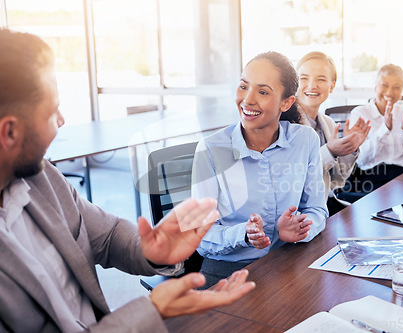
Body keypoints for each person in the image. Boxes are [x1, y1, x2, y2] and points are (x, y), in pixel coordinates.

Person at [0, 28, 255, 332]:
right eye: (52, 110)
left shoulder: (41, 177)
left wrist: (150, 250)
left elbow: (105, 235)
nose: (62, 120)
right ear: (10, 133)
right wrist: (151, 311)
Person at [191, 51, 328, 288]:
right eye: (244, 86)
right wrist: (243, 235)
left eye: (263, 92)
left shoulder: (305, 140)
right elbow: (198, 235)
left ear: (286, 103)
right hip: (227, 269)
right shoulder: (211, 149)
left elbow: (316, 209)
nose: (248, 99)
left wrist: (299, 230)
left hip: (286, 259)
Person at [339, 64, 403, 202]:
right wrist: (384, 129)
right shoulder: (360, 113)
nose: (389, 92)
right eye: (385, 85)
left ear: (402, 90)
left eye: (396, 87)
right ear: (375, 86)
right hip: (373, 177)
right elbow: (361, 160)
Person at [295, 51, 370, 214]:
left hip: (328, 203)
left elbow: (338, 179)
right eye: (304, 78)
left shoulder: (328, 122)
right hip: (301, 212)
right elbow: (295, 175)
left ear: (332, 86)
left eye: (321, 79)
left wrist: (350, 147)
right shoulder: (286, 123)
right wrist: (330, 151)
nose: (312, 85)